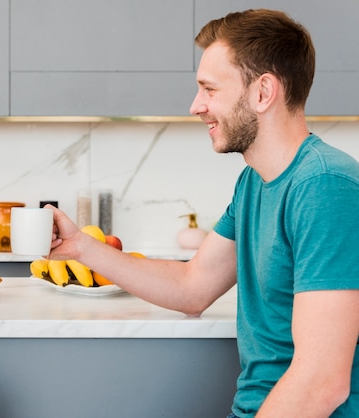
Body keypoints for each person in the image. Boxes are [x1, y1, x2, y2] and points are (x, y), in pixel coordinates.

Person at [48, 9, 358, 418]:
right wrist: (81, 248)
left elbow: (322, 383)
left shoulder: (325, 187)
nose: (196, 106)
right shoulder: (254, 183)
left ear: (263, 92)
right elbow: (192, 287)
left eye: (209, 89)